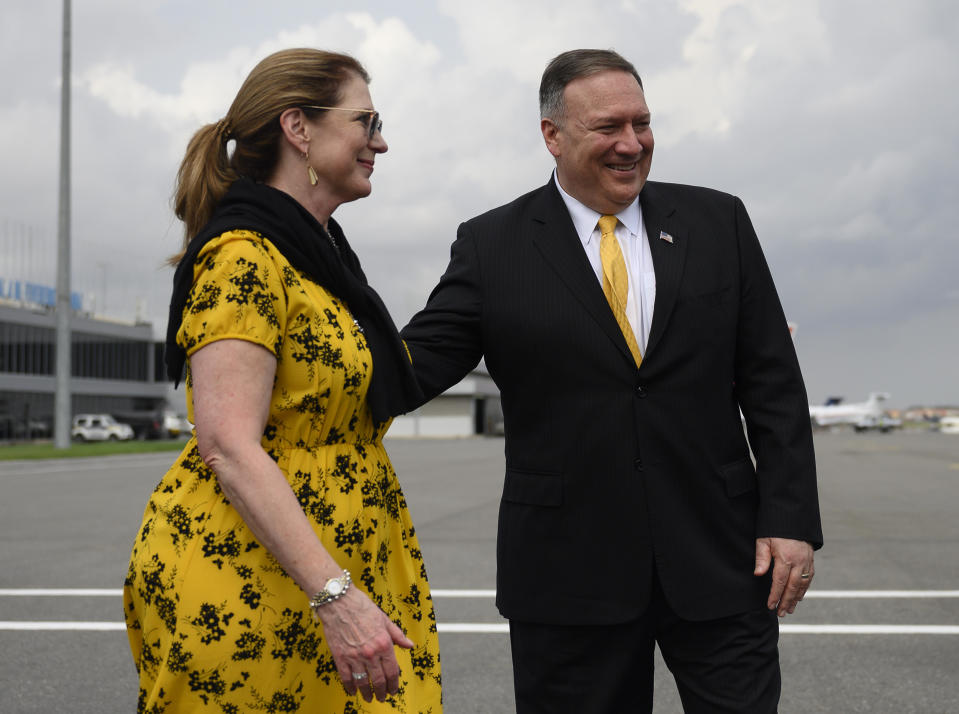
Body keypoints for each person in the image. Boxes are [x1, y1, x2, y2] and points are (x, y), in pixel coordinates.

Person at [400, 49, 822, 713]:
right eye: (608, 128)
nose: (632, 144)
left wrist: (790, 520)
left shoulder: (719, 223)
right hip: (568, 575)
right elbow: (409, 370)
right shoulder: (491, 246)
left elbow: (772, 384)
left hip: (720, 558)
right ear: (552, 136)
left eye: (643, 123)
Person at [123, 48, 442, 712]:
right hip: (259, 576)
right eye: (365, 120)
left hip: (336, 563)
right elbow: (228, 445)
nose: (379, 141)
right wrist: (335, 596)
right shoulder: (244, 256)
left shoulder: (318, 256)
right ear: (298, 129)